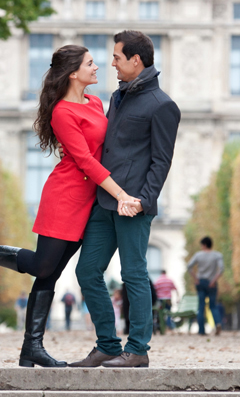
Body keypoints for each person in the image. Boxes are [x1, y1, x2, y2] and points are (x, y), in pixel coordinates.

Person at [0, 45, 136, 367]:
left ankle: (31, 349)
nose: (97, 68)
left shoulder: (94, 102)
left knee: (49, 273)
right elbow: (84, 161)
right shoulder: (62, 112)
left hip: (88, 202)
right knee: (41, 266)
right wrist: (121, 194)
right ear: (73, 73)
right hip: (65, 197)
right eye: (91, 64)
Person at [72, 31, 180, 369]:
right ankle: (107, 344)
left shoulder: (163, 106)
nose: (112, 63)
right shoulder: (118, 97)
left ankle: (138, 350)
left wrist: (143, 201)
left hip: (133, 205)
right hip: (105, 201)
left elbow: (162, 161)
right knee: (87, 270)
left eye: (117, 57)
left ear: (136, 60)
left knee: (134, 274)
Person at [187, 236, 224, 336]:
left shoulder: (198, 255)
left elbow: (189, 266)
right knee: (213, 306)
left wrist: (195, 279)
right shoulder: (217, 255)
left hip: (201, 282)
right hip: (212, 282)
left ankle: (202, 330)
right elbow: (221, 269)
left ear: (204, 245)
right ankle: (218, 323)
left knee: (201, 306)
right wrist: (214, 280)